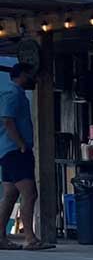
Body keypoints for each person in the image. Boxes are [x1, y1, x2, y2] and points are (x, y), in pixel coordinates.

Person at [0, 61, 49, 250]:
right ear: (21, 75)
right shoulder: (13, 94)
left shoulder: (16, 94)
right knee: (29, 193)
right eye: (31, 75)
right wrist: (21, 145)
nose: (35, 79)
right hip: (15, 152)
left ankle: (1, 237)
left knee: (10, 195)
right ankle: (30, 238)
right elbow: (7, 120)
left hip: (8, 151)